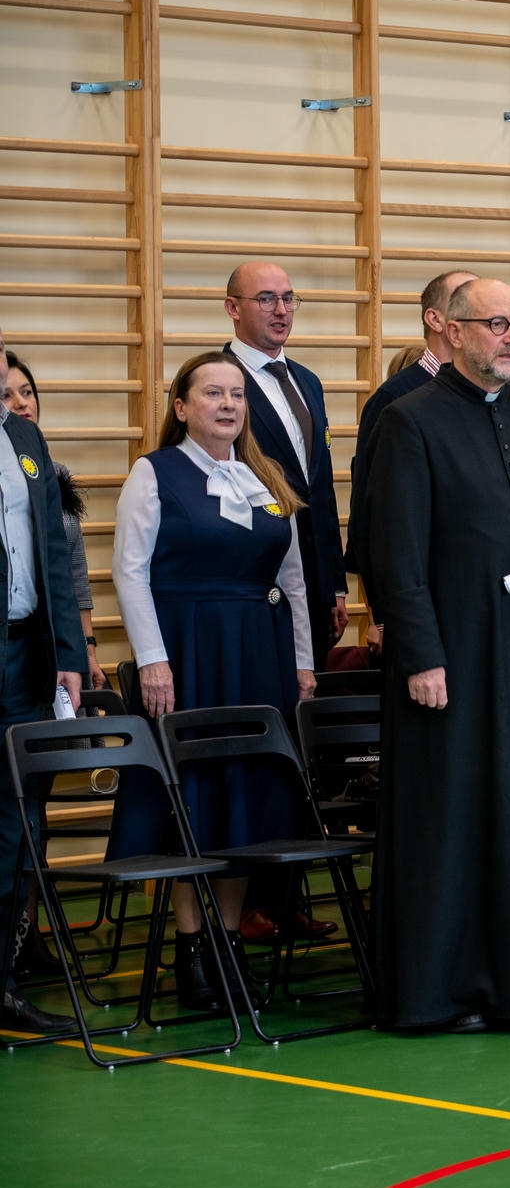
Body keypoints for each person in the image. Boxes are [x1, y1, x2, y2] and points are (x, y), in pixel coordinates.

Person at [366, 276, 510, 1032]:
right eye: (496, 324)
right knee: (452, 815)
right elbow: (395, 555)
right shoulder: (409, 421)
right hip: (451, 651)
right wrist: (421, 655)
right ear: (452, 330)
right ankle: (444, 991)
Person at [108, 352, 316, 1008]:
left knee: (246, 796)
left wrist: (303, 661)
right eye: (213, 394)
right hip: (187, 652)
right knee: (193, 796)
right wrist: (152, 658)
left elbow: (293, 580)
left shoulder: (267, 475)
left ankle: (227, 943)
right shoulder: (155, 472)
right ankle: (190, 948)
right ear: (181, 407)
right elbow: (129, 571)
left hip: (258, 654)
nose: (228, 404)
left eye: (237, 395)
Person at [0, 363, 87, 1033]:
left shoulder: (26, 439)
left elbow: (54, 554)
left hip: (25, 655)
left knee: (16, 824)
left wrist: (70, 656)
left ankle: (3, 985)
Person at [222, 262, 345, 666]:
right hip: (252, 579)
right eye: (266, 299)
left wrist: (335, 585)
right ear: (233, 308)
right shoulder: (216, 382)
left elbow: (320, 488)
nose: (281, 310)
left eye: (288, 298)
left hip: (313, 583)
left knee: (311, 693)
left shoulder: (307, 381)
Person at [347, 269, 475, 589]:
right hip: (420, 582)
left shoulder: (488, 394)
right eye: (464, 300)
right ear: (435, 319)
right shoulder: (395, 398)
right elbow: (371, 510)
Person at [3, 354, 100, 690]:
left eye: (27, 392)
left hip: (59, 640)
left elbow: (73, 570)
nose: (20, 402)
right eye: (7, 395)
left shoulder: (56, 473)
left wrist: (87, 647)